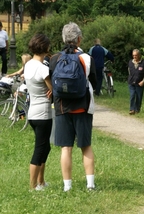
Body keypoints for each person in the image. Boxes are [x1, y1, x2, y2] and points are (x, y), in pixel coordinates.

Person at [49, 22, 97, 192]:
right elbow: (95, 83)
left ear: (63, 38)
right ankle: (90, 185)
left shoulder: (55, 58)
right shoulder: (86, 58)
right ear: (79, 39)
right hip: (83, 107)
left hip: (62, 107)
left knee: (66, 148)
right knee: (86, 146)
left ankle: (67, 186)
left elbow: (52, 82)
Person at [24, 34, 53, 191]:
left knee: (45, 147)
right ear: (46, 48)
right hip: (43, 113)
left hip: (32, 112)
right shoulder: (43, 68)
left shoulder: (28, 65)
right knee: (40, 148)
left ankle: (41, 181)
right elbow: (52, 89)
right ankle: (33, 185)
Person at [128, 49, 144, 115]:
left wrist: (143, 81)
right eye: (133, 55)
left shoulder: (143, 63)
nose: (134, 57)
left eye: (136, 55)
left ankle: (137, 110)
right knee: (132, 95)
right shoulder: (130, 62)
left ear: (139, 55)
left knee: (139, 97)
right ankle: (132, 109)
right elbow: (129, 71)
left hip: (140, 83)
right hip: (131, 82)